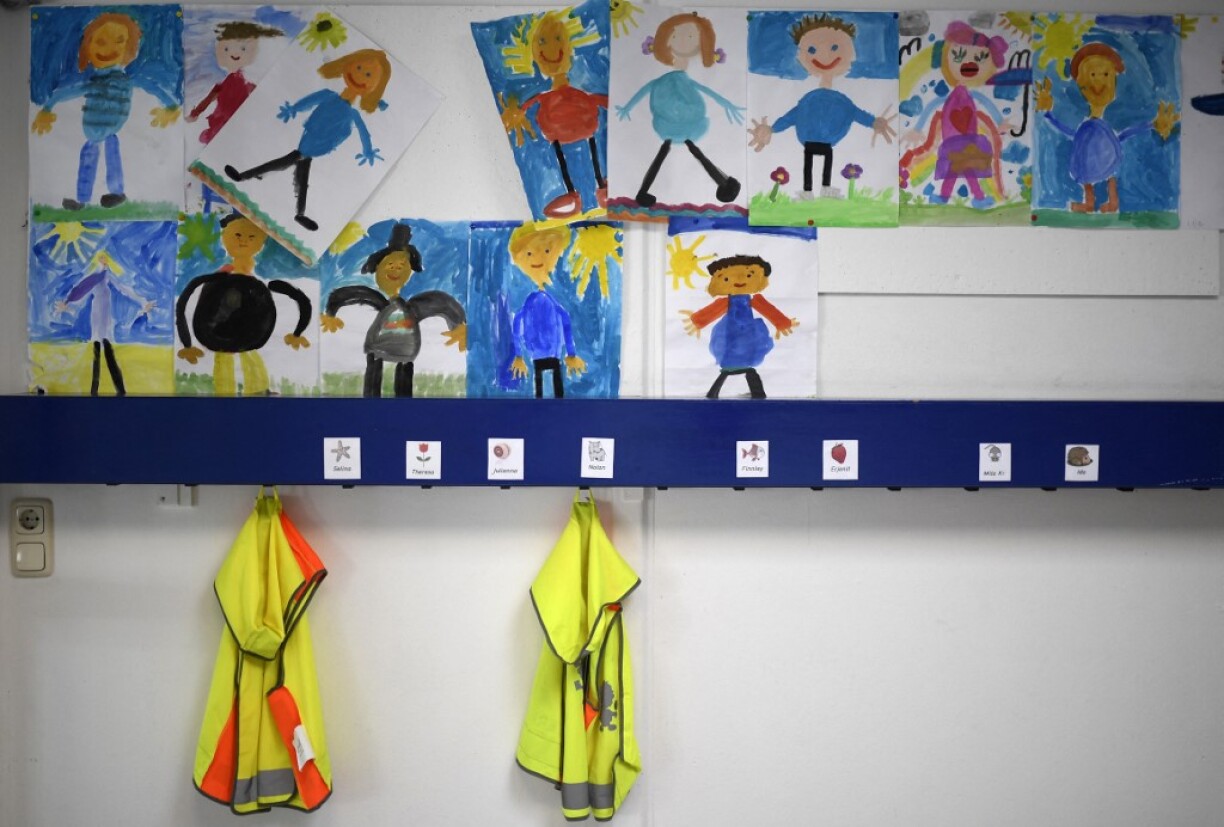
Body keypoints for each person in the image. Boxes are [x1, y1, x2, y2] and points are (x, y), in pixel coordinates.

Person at [224, 49, 390, 231]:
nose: (360, 76)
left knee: (293, 165)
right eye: (358, 67)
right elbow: (309, 101)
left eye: (368, 75)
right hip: (309, 140)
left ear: (374, 88)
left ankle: (247, 177)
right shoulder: (328, 95)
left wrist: (368, 150)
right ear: (346, 65)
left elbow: (363, 132)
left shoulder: (352, 113)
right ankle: (296, 211)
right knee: (299, 173)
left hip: (319, 146)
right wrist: (294, 109)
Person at [32, 12, 181, 211]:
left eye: (119, 41)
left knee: (112, 156)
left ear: (130, 48)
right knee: (88, 160)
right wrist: (47, 109)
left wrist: (171, 107)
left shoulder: (125, 80)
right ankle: (82, 199)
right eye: (100, 42)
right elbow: (67, 92)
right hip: (91, 132)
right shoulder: (92, 83)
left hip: (111, 131)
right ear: (88, 48)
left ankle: (116, 193)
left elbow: (152, 87)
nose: (110, 49)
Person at [747, 14, 895, 198]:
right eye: (811, 49)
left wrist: (874, 122)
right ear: (801, 56)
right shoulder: (810, 99)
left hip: (827, 142)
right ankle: (808, 190)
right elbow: (792, 116)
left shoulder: (840, 101)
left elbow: (856, 113)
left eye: (834, 47)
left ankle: (825, 189)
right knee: (810, 163)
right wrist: (772, 128)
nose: (825, 56)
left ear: (851, 53)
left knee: (825, 162)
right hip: (810, 140)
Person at [321, 223, 467, 398]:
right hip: (378, 347)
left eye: (401, 265)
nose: (395, 269)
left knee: (404, 378)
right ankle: (371, 401)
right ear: (377, 268)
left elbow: (441, 303)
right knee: (374, 373)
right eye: (390, 263)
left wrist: (458, 325)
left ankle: (403, 405)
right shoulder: (381, 300)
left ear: (409, 270)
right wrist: (330, 312)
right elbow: (351, 294)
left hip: (406, 349)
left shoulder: (413, 306)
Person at [616, 12, 743, 208]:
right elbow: (647, 88)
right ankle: (643, 191)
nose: (684, 41)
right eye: (677, 36)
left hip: (689, 121)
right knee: (680, 152)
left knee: (686, 151)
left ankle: (722, 183)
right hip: (669, 121)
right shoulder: (665, 80)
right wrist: (627, 107)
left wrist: (727, 103)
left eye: (691, 36)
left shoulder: (681, 80)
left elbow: (705, 89)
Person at [177, 213, 312, 395]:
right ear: (224, 237)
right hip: (217, 333)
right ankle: (224, 394)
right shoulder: (217, 279)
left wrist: (298, 332)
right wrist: (186, 343)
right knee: (224, 358)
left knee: (249, 355)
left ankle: (257, 390)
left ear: (261, 241)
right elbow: (186, 297)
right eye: (238, 235)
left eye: (252, 237)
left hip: (251, 335)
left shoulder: (259, 281)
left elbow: (298, 297)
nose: (244, 241)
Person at [1035, 42, 1179, 214]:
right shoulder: (1086, 127)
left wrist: (1153, 125)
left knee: (1110, 174)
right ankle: (1089, 203)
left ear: (1114, 81)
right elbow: (1069, 132)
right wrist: (1048, 113)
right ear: (1081, 83)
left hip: (1108, 155)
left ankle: (1113, 202)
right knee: (1087, 175)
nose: (1098, 81)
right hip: (1086, 157)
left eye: (1105, 74)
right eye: (1093, 74)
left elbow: (1124, 135)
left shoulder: (1101, 128)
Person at [498, 10, 608, 219]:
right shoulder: (545, 97)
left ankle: (600, 188)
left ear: (567, 48)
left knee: (591, 154)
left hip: (585, 130)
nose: (551, 49)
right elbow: (523, 109)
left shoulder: (578, 95)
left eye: (558, 39)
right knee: (566, 160)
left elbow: (599, 100)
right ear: (536, 56)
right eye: (542, 43)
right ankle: (572, 196)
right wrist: (514, 114)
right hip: (559, 134)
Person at [900, 21, 1010, 207]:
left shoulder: (972, 95)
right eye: (958, 56)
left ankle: (972, 198)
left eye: (979, 58)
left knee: (967, 170)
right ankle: (961, 197)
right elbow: (932, 106)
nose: (969, 63)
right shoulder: (950, 97)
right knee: (958, 170)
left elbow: (987, 104)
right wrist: (918, 129)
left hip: (968, 142)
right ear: (946, 60)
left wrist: (1001, 122)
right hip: (953, 142)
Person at [680, 254, 797, 399]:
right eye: (727, 279)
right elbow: (710, 312)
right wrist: (697, 321)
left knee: (744, 368)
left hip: (749, 337)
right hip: (730, 337)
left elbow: (768, 310)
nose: (740, 280)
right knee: (732, 367)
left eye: (749, 275)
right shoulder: (725, 302)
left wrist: (783, 322)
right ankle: (721, 393)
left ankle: (742, 393)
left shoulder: (754, 300)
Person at [54, 251, 156, 396]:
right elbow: (81, 293)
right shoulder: (93, 279)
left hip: (106, 321)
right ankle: (95, 391)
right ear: (98, 261)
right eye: (101, 259)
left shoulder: (108, 276)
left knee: (108, 352)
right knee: (97, 353)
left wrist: (143, 301)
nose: (104, 261)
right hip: (96, 318)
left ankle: (120, 390)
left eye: (105, 259)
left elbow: (124, 289)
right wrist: (67, 304)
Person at [507, 224, 585, 398]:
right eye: (529, 253)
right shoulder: (529, 299)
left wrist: (571, 353)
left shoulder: (554, 297)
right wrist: (519, 356)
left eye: (547, 250)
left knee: (555, 389)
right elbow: (517, 324)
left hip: (552, 354)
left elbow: (565, 322)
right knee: (540, 390)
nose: (538, 257)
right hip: (536, 355)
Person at [186, 20, 284, 144]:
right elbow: (212, 95)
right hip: (222, 122)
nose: (235, 53)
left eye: (243, 48)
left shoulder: (251, 79)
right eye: (227, 48)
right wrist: (196, 112)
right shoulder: (229, 77)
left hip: (238, 126)